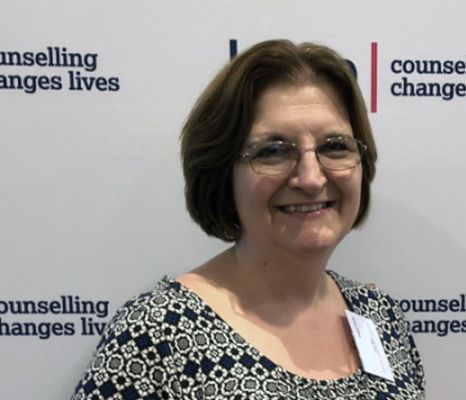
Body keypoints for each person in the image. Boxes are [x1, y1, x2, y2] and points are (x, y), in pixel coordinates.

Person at [72, 39, 425, 399]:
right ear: (223, 174)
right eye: (273, 151)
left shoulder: (379, 315)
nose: (311, 179)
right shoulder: (156, 334)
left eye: (335, 146)